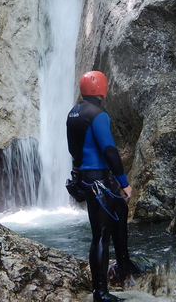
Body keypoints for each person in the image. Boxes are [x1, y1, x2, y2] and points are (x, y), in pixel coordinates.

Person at [66, 71, 139, 302]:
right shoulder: (97, 114)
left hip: (86, 176)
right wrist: (124, 182)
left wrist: (78, 173)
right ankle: (100, 293)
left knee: (120, 211)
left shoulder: (74, 113)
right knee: (101, 235)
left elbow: (74, 149)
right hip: (98, 178)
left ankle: (124, 264)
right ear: (102, 89)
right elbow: (109, 150)